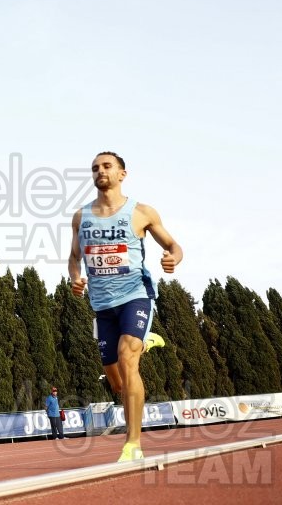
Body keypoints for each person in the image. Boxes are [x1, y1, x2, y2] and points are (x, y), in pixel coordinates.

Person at [69, 152, 182, 463]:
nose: (100, 171)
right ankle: (145, 342)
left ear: (122, 174)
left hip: (135, 295)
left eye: (107, 166)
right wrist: (75, 278)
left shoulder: (142, 212)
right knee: (116, 379)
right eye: (95, 168)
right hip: (102, 305)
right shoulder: (80, 217)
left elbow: (173, 245)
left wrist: (173, 257)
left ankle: (132, 444)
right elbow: (74, 257)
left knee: (126, 356)